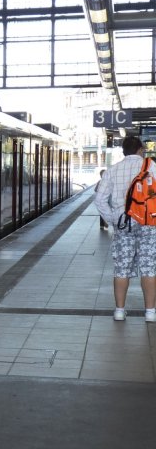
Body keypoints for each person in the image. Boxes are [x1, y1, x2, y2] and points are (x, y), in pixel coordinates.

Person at [94, 135, 156, 321]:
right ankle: (150, 313)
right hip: (148, 223)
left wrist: (113, 219)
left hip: (123, 223)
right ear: (140, 149)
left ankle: (119, 311)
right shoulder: (151, 166)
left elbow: (99, 200)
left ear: (123, 151)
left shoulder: (113, 170)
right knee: (149, 267)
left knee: (121, 267)